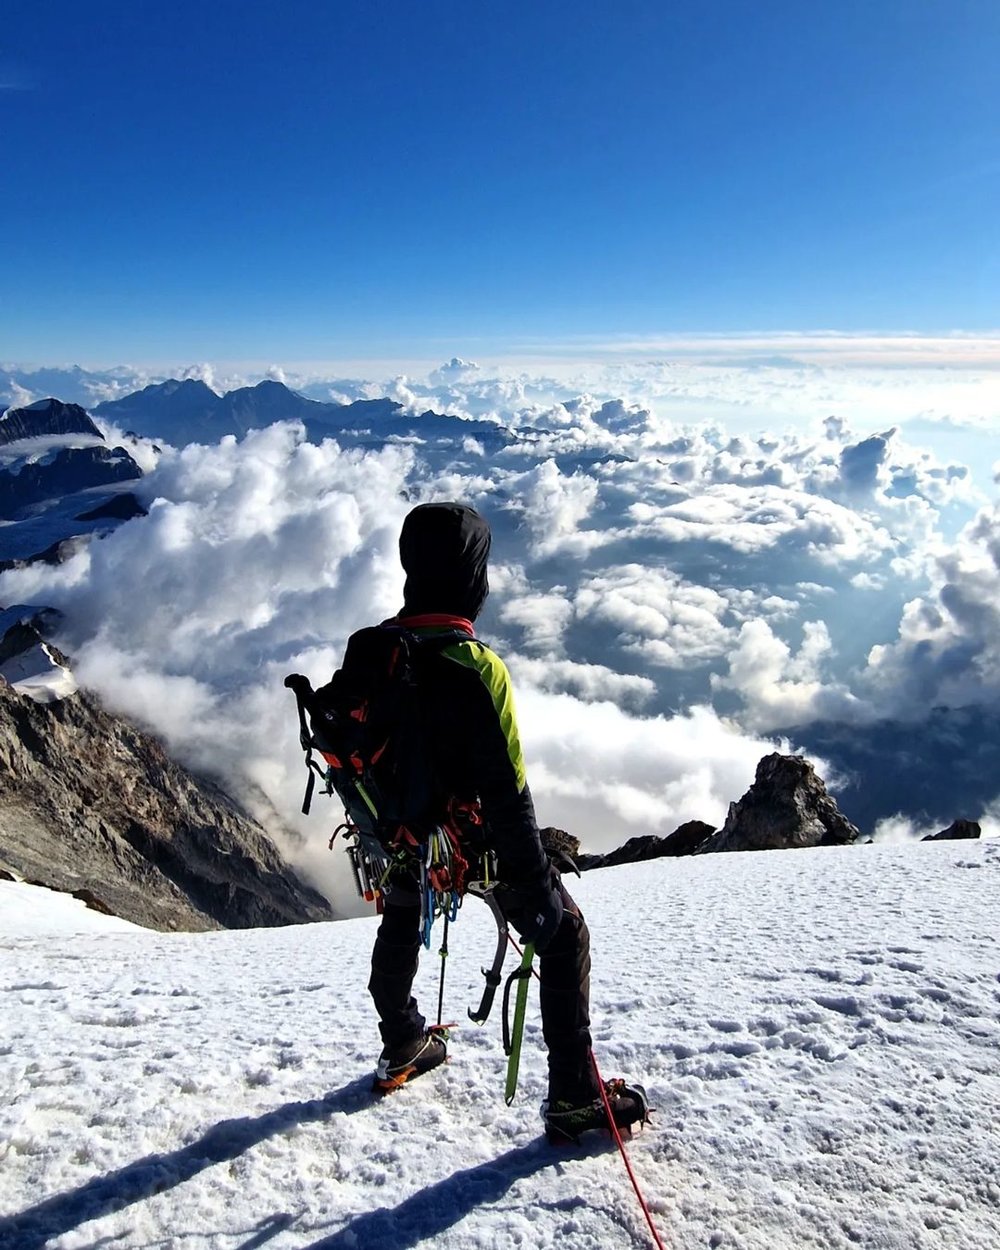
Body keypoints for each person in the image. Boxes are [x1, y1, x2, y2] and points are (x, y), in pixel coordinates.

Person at [368, 501, 647, 1139]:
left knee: (402, 915)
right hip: (473, 846)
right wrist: (538, 883)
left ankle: (403, 1040)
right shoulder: (476, 668)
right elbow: (508, 793)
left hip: (401, 839)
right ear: (473, 578)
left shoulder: (376, 650)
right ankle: (575, 1097)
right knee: (566, 935)